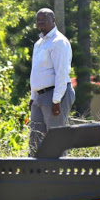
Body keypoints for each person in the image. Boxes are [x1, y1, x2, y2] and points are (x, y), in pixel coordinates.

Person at [29, 8, 75, 156]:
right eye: (38, 19)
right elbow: (36, 73)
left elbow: (61, 73)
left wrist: (57, 100)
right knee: (36, 136)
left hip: (54, 94)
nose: (40, 22)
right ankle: (35, 174)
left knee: (56, 138)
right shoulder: (39, 43)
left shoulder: (59, 42)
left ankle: (61, 173)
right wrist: (33, 96)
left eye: (44, 19)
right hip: (40, 96)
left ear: (53, 20)